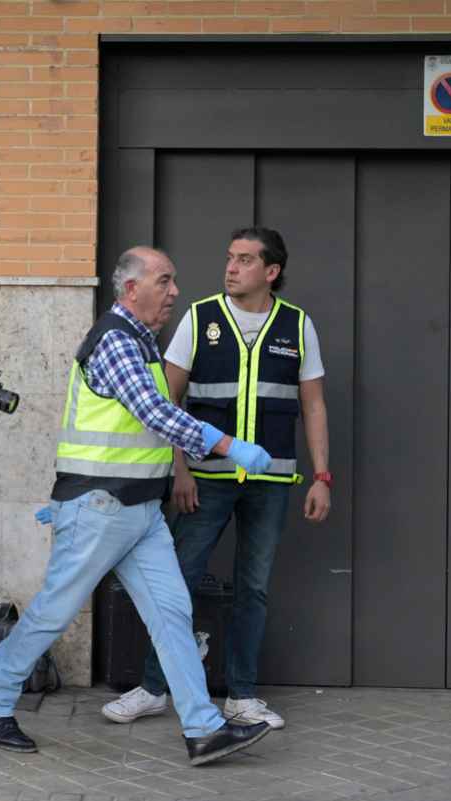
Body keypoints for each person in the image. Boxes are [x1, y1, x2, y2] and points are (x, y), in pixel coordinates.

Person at [0, 247, 276, 766]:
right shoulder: (115, 340)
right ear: (132, 289)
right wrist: (227, 445)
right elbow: (153, 412)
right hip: (100, 506)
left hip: (135, 510)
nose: (175, 291)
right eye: (165, 280)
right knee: (52, 613)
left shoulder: (140, 343)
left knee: (173, 614)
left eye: (174, 281)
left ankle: (203, 729)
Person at [103, 227, 330, 731]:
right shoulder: (199, 317)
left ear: (271, 272)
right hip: (206, 479)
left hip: (271, 482)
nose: (231, 268)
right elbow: (166, 400)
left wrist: (322, 476)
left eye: (245, 260)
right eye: (230, 258)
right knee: (176, 581)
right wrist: (179, 468)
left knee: (255, 587)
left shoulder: (297, 326)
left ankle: (242, 696)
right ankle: (154, 687)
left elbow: (313, 404)